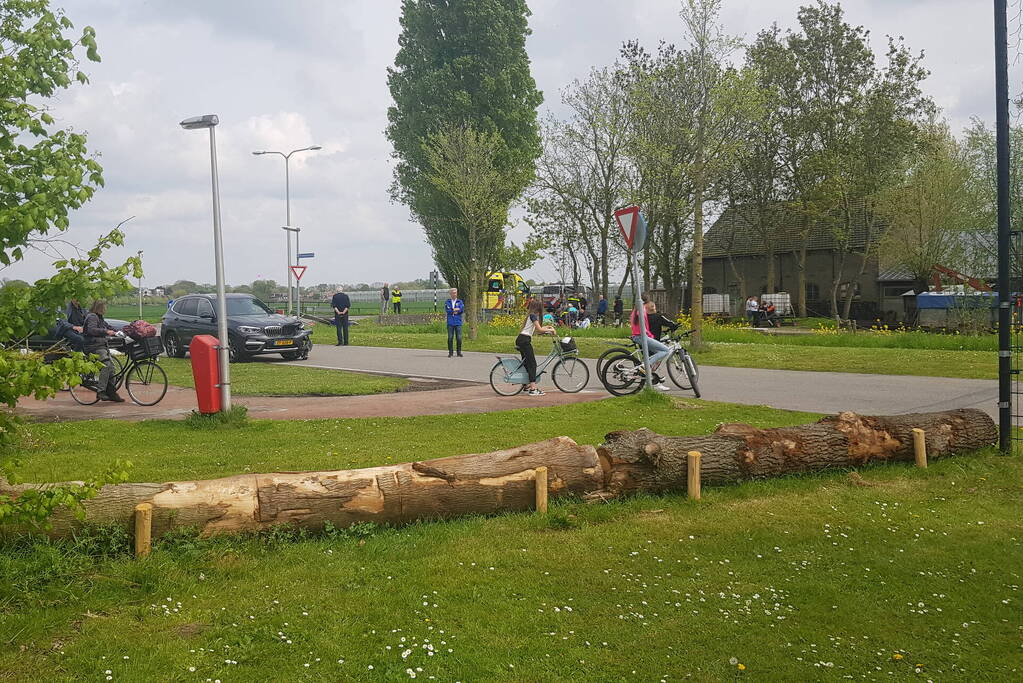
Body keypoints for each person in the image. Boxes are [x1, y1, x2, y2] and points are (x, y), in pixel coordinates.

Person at [83, 300, 124, 402]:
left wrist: (118, 331)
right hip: (93, 347)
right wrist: (106, 332)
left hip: (101, 346)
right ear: (99, 308)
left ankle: (111, 392)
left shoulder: (99, 318)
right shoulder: (92, 317)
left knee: (112, 369)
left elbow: (107, 326)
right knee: (106, 366)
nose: (106, 309)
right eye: (105, 307)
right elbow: (92, 330)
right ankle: (101, 391)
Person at [516, 298, 556, 396]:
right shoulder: (533, 316)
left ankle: (526, 384)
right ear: (538, 307)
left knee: (526, 362)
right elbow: (539, 329)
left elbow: (538, 329)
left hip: (522, 339)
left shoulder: (531, 315)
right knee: (532, 364)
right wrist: (550, 330)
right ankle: (533, 389)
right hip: (524, 340)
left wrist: (548, 328)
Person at [631, 293, 671, 391]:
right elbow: (643, 327)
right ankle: (645, 366)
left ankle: (651, 376)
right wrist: (650, 335)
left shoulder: (636, 310)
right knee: (666, 350)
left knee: (657, 353)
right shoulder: (641, 311)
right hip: (641, 337)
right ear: (647, 302)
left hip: (639, 336)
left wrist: (649, 335)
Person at [445, 287, 464, 357]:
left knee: (459, 338)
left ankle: (459, 352)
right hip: (450, 322)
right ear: (450, 294)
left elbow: (461, 310)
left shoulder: (460, 301)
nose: (454, 294)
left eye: (455, 293)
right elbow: (448, 310)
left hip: (458, 322)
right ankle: (450, 352)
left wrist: (456, 310)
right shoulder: (447, 302)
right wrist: (455, 310)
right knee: (450, 338)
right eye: (453, 293)